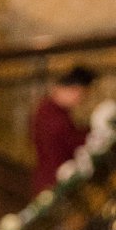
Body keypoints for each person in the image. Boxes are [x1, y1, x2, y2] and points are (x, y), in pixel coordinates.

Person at [29, 64, 95, 195]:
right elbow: (68, 142)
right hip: (55, 182)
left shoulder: (53, 112)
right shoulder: (49, 114)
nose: (80, 100)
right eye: (80, 94)